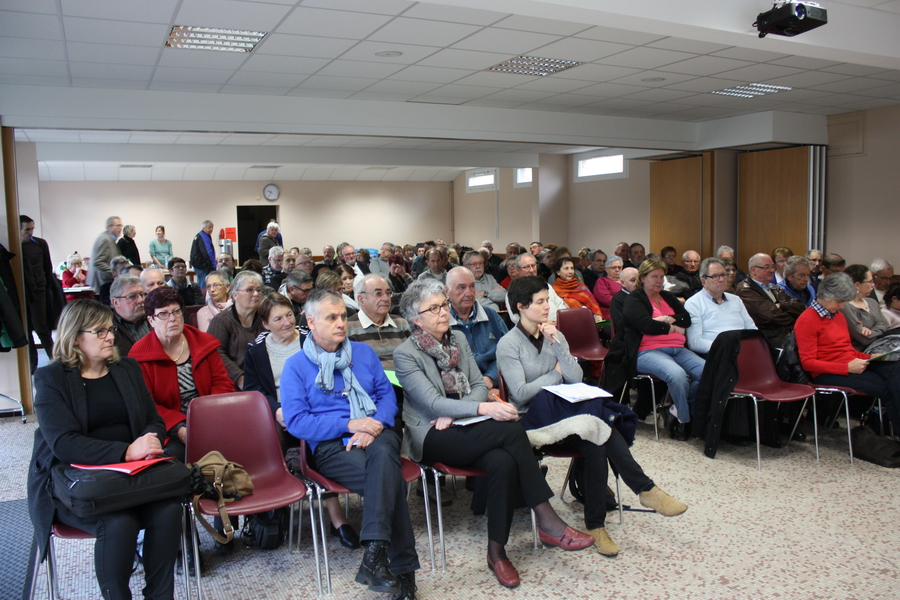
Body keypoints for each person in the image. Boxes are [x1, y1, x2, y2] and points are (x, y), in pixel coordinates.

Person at [394, 279, 594, 590]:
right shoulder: (406, 354)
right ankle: (549, 521)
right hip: (431, 435)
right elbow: (431, 404)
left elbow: (478, 386)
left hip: (464, 425)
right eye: (433, 309)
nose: (443, 312)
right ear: (415, 319)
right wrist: (480, 410)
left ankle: (496, 552)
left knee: (502, 461)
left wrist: (460, 409)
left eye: (443, 305)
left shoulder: (457, 338)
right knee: (512, 429)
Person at [497, 275, 686, 557]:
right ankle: (644, 488)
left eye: (547, 300)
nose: (547, 306)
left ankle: (596, 525)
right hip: (532, 420)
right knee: (600, 423)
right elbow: (522, 393)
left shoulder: (553, 335)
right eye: (540, 302)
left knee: (596, 437)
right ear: (521, 307)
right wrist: (554, 374)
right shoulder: (508, 344)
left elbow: (575, 377)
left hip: (566, 412)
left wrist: (559, 345)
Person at [28, 300, 182, 600]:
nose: (111, 337)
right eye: (100, 332)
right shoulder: (51, 379)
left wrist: (150, 439)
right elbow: (63, 444)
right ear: (75, 338)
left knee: (169, 511)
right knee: (119, 523)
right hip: (77, 480)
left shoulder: (126, 368)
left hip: (133, 474)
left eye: (110, 329)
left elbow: (152, 419)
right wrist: (126, 452)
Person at [281, 289, 419, 600]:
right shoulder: (296, 366)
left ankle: (375, 558)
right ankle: (402, 572)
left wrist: (375, 426)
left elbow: (386, 396)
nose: (341, 323)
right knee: (390, 482)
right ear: (311, 321)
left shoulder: (364, 353)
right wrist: (350, 424)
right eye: (332, 318)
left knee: (385, 454)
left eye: (343, 316)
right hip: (332, 446)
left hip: (377, 434)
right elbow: (297, 422)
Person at [241, 293, 360, 550]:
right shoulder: (256, 350)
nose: (286, 323)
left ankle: (336, 517)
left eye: (288, 315)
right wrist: (276, 410)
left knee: (321, 436)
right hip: (279, 414)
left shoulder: (312, 337)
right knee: (270, 437)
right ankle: (276, 509)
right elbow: (253, 390)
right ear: (265, 324)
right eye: (278, 319)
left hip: (316, 406)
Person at [129, 286, 233, 461]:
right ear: (151, 320)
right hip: (170, 426)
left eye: (176, 312)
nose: (173, 319)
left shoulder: (204, 343)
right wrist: (180, 428)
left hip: (211, 417)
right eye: (163, 314)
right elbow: (147, 405)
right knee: (175, 456)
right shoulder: (139, 356)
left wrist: (209, 418)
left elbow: (222, 383)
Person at [795, 272, 900, 434]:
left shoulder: (837, 316)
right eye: (840, 301)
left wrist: (869, 357)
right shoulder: (807, 320)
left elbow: (847, 350)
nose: (842, 306)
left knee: (895, 369)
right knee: (886, 389)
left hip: (850, 363)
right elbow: (808, 363)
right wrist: (847, 368)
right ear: (827, 296)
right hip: (827, 372)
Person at [622, 259, 705, 440]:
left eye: (661, 276)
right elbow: (646, 326)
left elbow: (686, 319)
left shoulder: (667, 297)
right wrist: (673, 326)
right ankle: (684, 422)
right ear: (643, 278)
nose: (659, 281)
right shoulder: (634, 298)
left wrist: (665, 319)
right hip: (647, 351)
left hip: (677, 349)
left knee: (707, 371)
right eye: (654, 277)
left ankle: (679, 410)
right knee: (677, 375)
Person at [446, 267, 508, 392]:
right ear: (447, 291)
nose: (469, 293)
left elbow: (508, 353)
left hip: (495, 384)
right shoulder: (441, 322)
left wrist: (491, 377)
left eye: (472, 286)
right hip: (460, 391)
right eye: (461, 287)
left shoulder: (491, 315)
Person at [684, 258, 757, 356]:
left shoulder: (736, 300)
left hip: (744, 350)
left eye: (723, 275)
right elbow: (694, 342)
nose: (722, 279)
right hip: (718, 355)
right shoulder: (694, 303)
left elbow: (751, 328)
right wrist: (725, 348)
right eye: (715, 276)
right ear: (703, 281)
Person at [206, 270, 265, 389]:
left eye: (259, 290)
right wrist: (239, 378)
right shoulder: (222, 320)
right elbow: (216, 353)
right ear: (235, 295)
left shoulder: (265, 318)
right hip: (231, 383)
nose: (256, 294)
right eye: (249, 290)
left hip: (263, 380)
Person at [19, 216, 63, 373]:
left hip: (39, 291)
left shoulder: (40, 244)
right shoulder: (14, 245)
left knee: (41, 327)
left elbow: (47, 267)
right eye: (27, 229)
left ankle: (56, 360)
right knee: (25, 330)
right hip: (21, 292)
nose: (30, 232)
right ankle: (32, 365)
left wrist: (45, 288)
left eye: (32, 229)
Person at [735, 253, 805, 348]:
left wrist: (781, 305)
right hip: (769, 341)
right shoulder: (745, 290)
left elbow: (800, 307)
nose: (772, 270)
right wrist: (793, 317)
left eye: (773, 267)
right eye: (767, 267)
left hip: (788, 336)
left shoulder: (774, 287)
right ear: (753, 269)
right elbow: (771, 316)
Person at [347, 274, 411, 370]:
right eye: (378, 293)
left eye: (388, 293)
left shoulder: (401, 324)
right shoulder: (349, 328)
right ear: (361, 299)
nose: (385, 298)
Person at [841, 264, 892, 352]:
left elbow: (887, 325)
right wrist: (880, 328)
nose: (873, 284)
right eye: (870, 281)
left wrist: (872, 332)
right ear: (857, 285)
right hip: (861, 355)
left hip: (881, 350)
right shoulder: (845, 306)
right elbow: (864, 339)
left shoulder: (872, 302)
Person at [552, 257, 603, 322]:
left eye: (572, 268)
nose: (570, 272)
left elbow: (594, 306)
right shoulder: (553, 290)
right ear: (558, 272)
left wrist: (598, 317)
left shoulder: (582, 287)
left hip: (585, 322)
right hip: (563, 323)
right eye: (566, 268)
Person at [109, 275, 150, 356]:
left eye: (142, 294)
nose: (141, 300)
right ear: (116, 302)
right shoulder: (108, 328)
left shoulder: (154, 319)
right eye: (132, 296)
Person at [593, 256, 624, 320]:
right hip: (610, 314)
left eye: (619, 267)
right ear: (606, 269)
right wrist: (626, 303)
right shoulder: (602, 281)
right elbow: (606, 299)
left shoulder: (626, 281)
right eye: (614, 267)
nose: (617, 270)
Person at [189, 220, 216, 289]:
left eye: (212, 227)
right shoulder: (203, 236)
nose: (211, 229)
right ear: (204, 228)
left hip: (198, 264)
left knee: (201, 281)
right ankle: (202, 298)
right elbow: (208, 253)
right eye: (209, 227)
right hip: (202, 265)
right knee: (203, 284)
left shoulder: (201, 235)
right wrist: (214, 266)